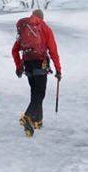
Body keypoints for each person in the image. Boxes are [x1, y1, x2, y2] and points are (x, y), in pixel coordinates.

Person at [11, 9, 62, 137]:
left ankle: (37, 121)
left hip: (28, 64)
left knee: (35, 92)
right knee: (40, 93)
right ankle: (27, 116)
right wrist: (58, 69)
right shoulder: (45, 28)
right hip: (40, 63)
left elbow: (15, 50)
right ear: (41, 18)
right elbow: (53, 51)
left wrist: (18, 65)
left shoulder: (24, 29)